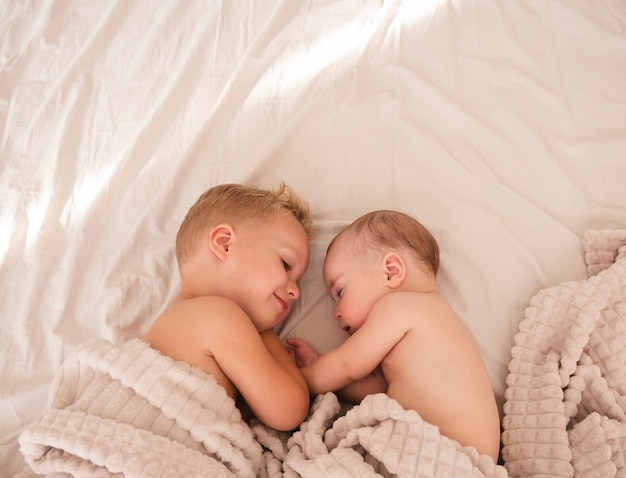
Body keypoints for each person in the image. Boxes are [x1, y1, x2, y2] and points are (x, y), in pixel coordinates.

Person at [287, 210, 501, 462]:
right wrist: (317, 363)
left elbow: (347, 365)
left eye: (341, 291)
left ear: (390, 271)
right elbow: (376, 387)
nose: (336, 313)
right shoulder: (431, 318)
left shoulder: (398, 307)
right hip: (468, 457)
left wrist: (295, 382)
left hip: (448, 455)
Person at [144, 182, 314, 431]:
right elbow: (289, 411)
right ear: (224, 243)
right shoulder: (218, 315)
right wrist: (267, 338)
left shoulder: (173, 322)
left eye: (298, 281)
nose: (295, 292)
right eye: (286, 265)